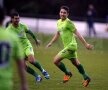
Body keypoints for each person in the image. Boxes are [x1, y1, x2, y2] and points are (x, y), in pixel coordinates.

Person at [46, 6, 93, 87]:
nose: (62, 14)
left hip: (71, 46)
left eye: (64, 13)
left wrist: (86, 44)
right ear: (59, 13)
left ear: (68, 14)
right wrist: (51, 43)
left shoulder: (69, 22)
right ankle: (86, 77)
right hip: (68, 46)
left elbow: (78, 34)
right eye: (61, 12)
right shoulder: (58, 22)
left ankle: (68, 73)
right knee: (76, 63)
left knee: (55, 61)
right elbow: (58, 34)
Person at [6, 11, 50, 82]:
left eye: (18, 18)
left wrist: (36, 40)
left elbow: (30, 32)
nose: (17, 20)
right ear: (12, 19)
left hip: (27, 45)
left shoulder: (23, 26)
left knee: (31, 60)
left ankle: (43, 71)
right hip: (19, 49)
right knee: (23, 66)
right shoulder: (8, 30)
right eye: (15, 19)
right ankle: (37, 76)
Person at [0, 6, 28, 90]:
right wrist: (24, 85)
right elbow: (20, 64)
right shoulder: (12, 37)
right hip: (5, 84)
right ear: (4, 18)